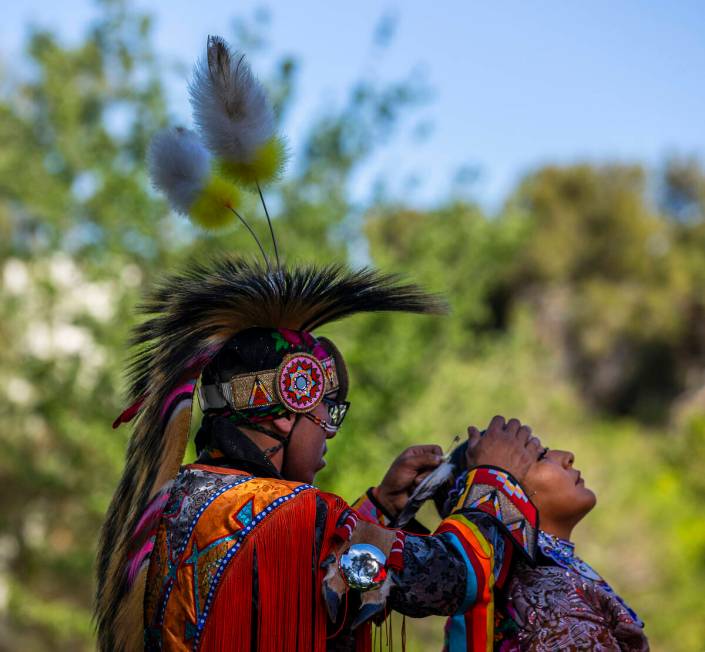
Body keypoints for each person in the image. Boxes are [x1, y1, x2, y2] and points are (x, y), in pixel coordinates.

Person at [94, 35, 544, 652]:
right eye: (327, 410)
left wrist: (384, 508)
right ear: (285, 402)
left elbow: (324, 582)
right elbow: (431, 581)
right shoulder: (298, 520)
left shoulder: (178, 507)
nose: (332, 431)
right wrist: (497, 483)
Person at [485, 442, 649, 651]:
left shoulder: (540, 581)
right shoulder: (549, 601)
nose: (567, 456)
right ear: (507, 492)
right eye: (541, 456)